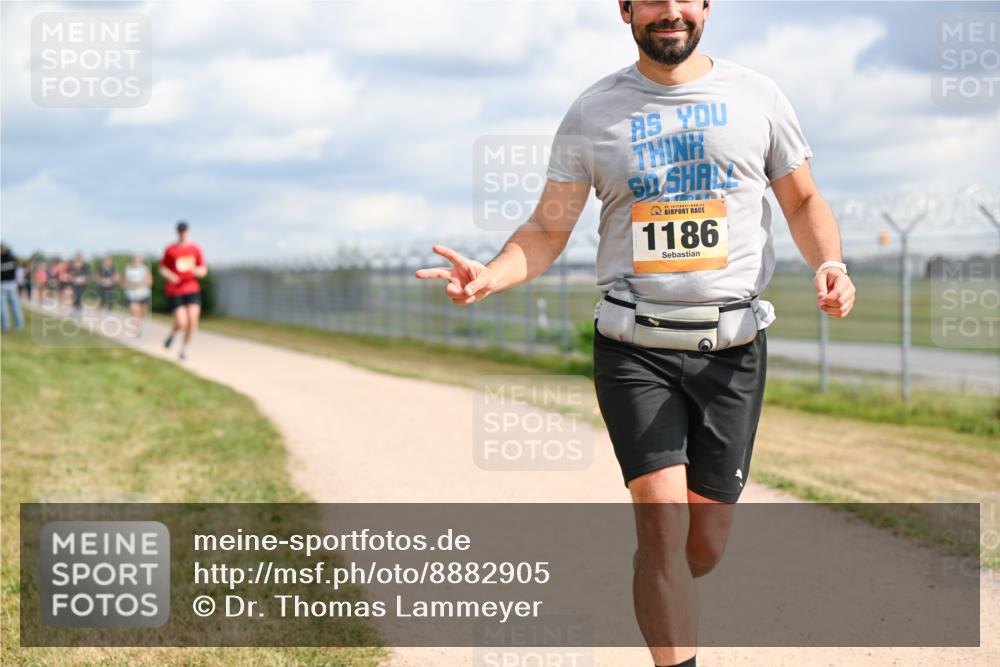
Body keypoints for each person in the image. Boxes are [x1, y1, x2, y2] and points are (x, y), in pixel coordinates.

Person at [416, 3, 856, 666]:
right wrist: (492, 274)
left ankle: (662, 577)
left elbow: (801, 200)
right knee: (662, 522)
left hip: (731, 350)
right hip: (633, 345)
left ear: (708, 6)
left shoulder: (756, 97)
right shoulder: (594, 112)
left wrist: (830, 262)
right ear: (625, 9)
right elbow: (546, 230)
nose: (670, 11)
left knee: (701, 545)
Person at [159, 220, 207, 360]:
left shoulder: (195, 249)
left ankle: (183, 349)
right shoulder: (171, 249)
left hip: (192, 288)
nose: (182, 233)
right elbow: (162, 268)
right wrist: (170, 275)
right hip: (176, 290)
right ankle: (173, 333)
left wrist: (197, 271)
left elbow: (203, 269)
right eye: (180, 231)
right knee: (182, 322)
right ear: (177, 232)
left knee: (193, 321)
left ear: (188, 232)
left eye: (184, 231)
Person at [123, 255, 153, 336]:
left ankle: (140, 322)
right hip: (131, 294)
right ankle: (137, 330)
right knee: (135, 311)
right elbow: (124, 282)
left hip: (144, 294)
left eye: (138, 261)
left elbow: (150, 281)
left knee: (143, 312)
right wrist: (129, 285)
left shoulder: (145, 269)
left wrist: (141, 284)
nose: (136, 262)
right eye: (134, 260)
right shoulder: (127, 269)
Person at [0, 242, 25, 332]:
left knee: (3, 307)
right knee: (15, 306)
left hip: (3, 284)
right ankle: (19, 326)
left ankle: (5, 327)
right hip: (12, 284)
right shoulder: (12, 258)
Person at [68, 252, 91, 317]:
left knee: (80, 298)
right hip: (74, 285)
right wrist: (71, 278)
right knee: (74, 298)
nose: (78, 260)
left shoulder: (85, 267)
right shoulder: (72, 267)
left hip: (82, 286)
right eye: (77, 259)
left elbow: (88, 276)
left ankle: (79, 313)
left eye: (79, 259)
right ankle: (74, 312)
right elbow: (69, 275)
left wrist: (84, 278)